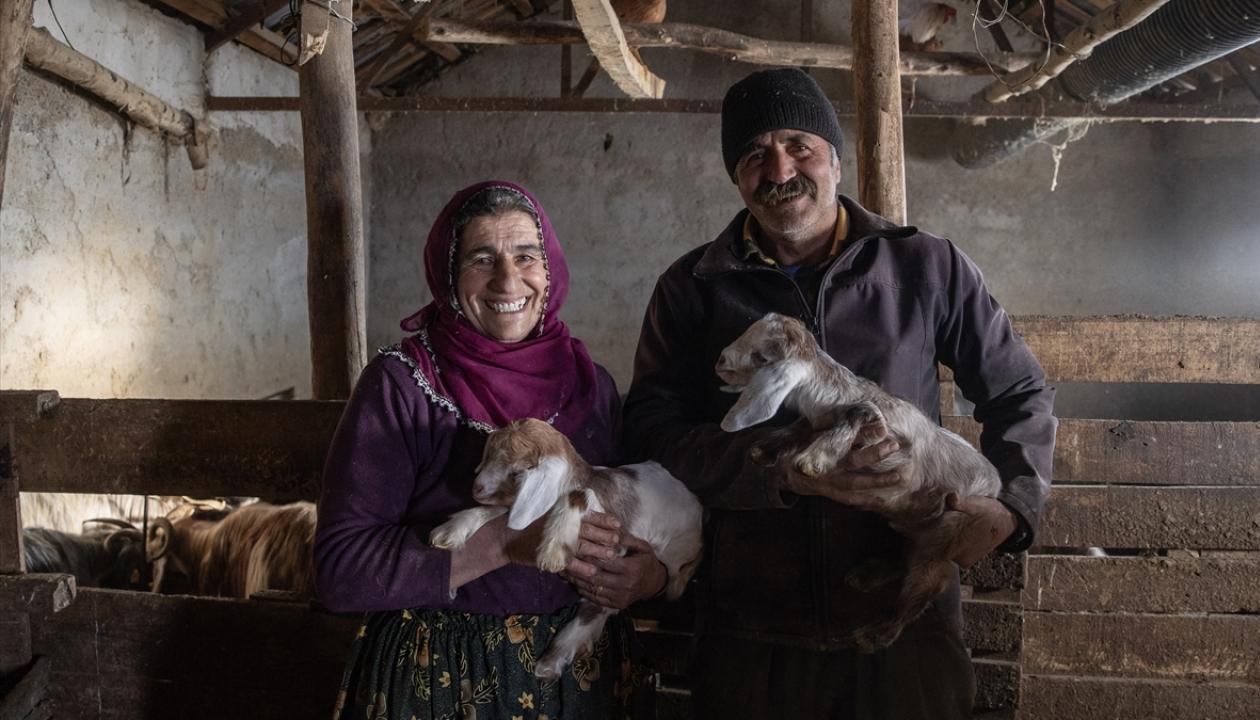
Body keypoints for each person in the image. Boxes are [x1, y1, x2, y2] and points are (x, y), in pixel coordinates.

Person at [623, 69, 1057, 719]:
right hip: (751, 630)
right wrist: (778, 469)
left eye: (799, 144)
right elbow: (651, 427)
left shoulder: (925, 266)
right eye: (753, 154)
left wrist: (1014, 506)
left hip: (904, 629)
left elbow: (1017, 390)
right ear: (735, 176)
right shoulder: (694, 287)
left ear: (834, 157)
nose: (778, 168)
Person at [316, 181, 668, 720]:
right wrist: (503, 543)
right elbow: (341, 572)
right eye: (483, 259)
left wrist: (648, 577)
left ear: (549, 270)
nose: (509, 279)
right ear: (449, 277)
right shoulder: (401, 386)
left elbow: (636, 514)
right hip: (440, 680)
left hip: (580, 678)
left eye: (527, 256)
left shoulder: (590, 385)